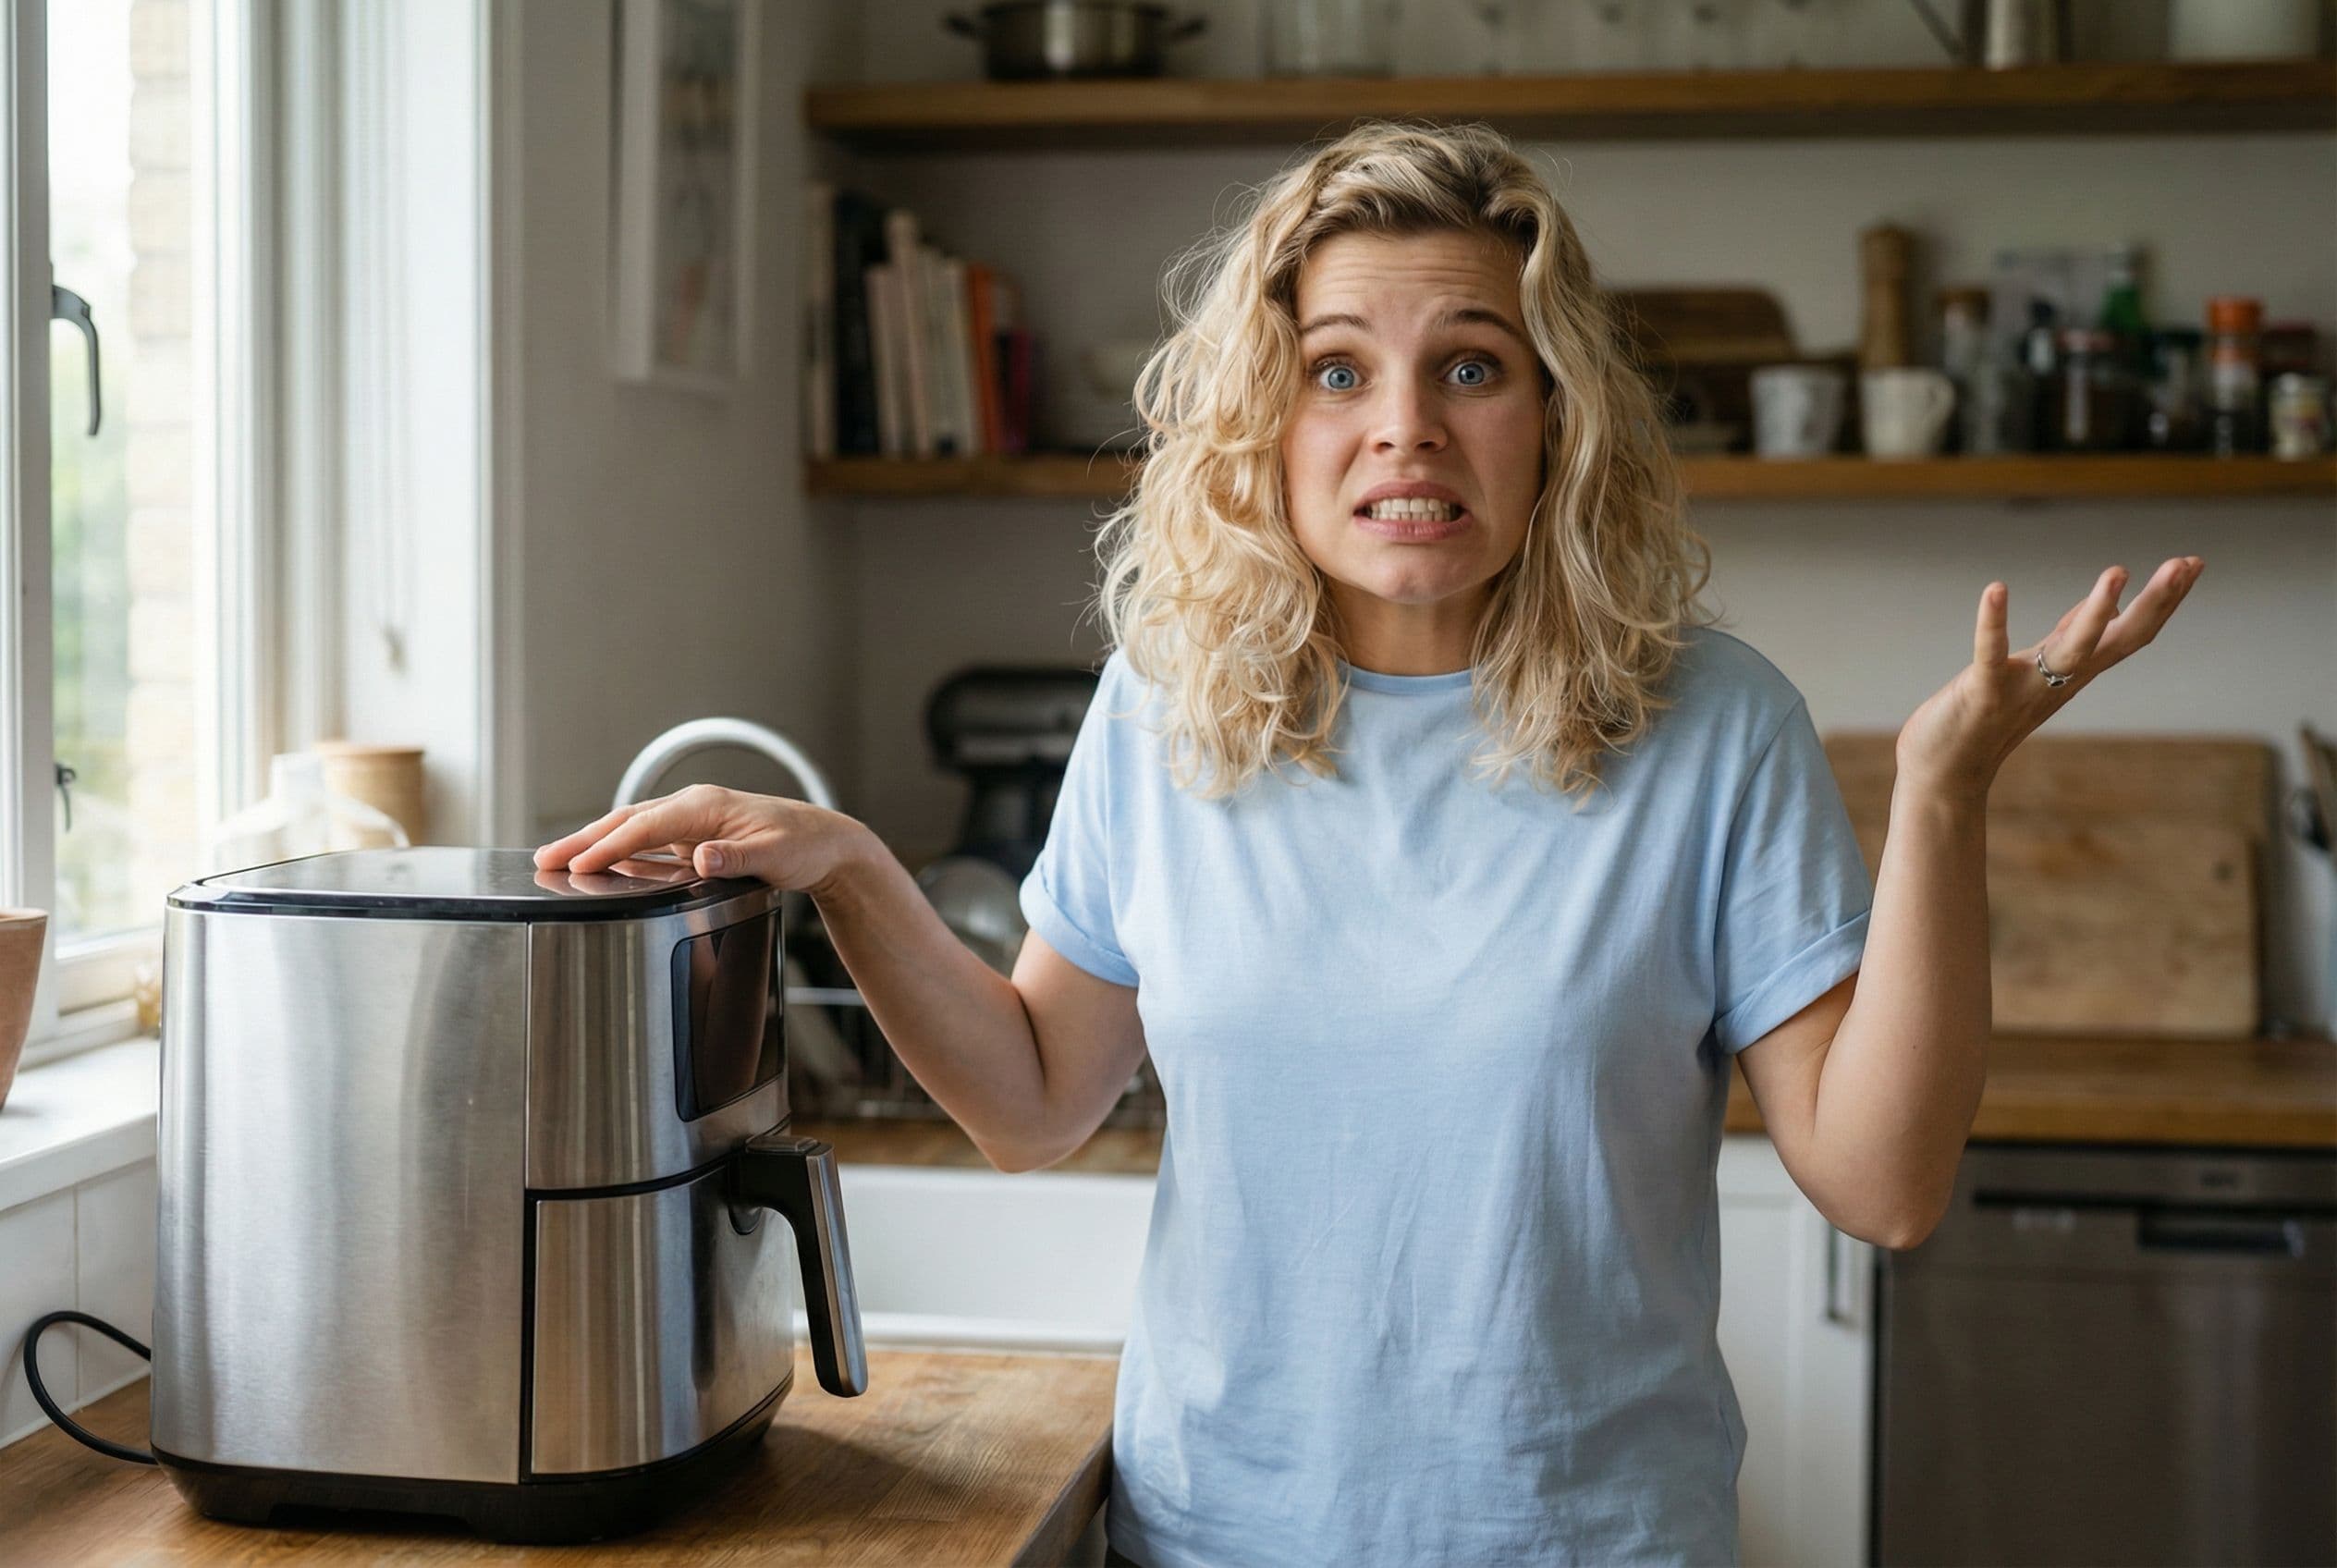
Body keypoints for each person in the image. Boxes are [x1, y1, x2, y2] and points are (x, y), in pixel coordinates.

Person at [537, 121, 2204, 1568]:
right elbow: (1040, 1098)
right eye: (1339, 370)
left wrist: (1942, 796)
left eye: (1469, 365)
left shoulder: (1714, 729)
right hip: (1211, 1536)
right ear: (1270, 420)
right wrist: (844, 866)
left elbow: (1885, 1184)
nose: (1403, 425)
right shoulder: (1168, 710)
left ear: (1556, 415)